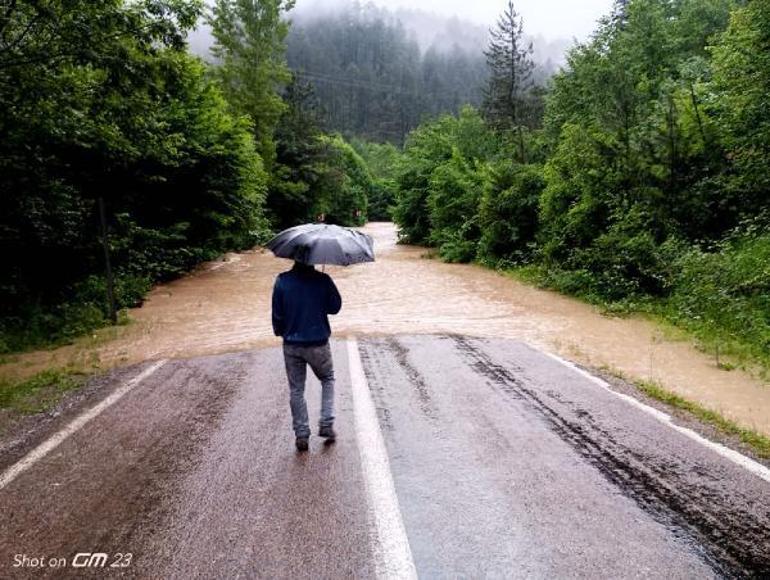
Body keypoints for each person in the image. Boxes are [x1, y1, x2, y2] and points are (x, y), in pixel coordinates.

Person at [272, 260, 342, 452]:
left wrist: (281, 332)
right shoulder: (323, 279)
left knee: (296, 390)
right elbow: (335, 307)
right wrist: (324, 287)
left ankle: (302, 434)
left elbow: (277, 316)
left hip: (292, 344)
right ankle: (326, 423)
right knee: (327, 378)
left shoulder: (282, 281)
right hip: (318, 342)